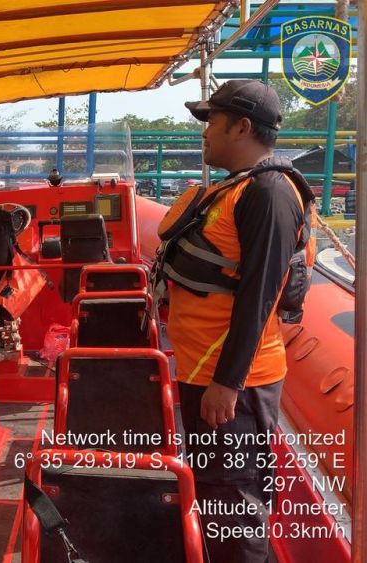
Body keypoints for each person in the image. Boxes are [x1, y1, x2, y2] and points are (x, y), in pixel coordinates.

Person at [161, 80, 314, 563]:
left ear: (242, 126)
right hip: (205, 372)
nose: (204, 133)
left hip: (232, 386)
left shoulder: (269, 193)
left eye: (211, 122)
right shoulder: (239, 186)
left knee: (233, 503)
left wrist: (227, 383)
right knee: (218, 492)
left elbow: (260, 298)